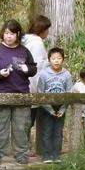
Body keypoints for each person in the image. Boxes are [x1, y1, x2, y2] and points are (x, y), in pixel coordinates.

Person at [0, 19, 37, 165]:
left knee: (21, 127)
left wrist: (27, 69)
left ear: (18, 34)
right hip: (0, 93)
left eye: (12, 34)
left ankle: (21, 155)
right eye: (6, 33)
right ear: (3, 33)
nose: (9, 36)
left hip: (21, 94)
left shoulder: (24, 51)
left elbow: (33, 68)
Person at [36, 47, 73, 162]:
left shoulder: (66, 75)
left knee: (58, 132)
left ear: (63, 60)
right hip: (46, 107)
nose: (56, 61)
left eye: (59, 58)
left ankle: (56, 155)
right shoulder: (43, 74)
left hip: (61, 107)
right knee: (47, 131)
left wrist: (62, 109)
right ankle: (46, 155)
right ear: (49, 60)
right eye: (53, 58)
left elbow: (69, 93)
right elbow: (40, 92)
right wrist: (50, 109)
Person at [22, 15, 51, 148]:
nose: (48, 32)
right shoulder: (37, 43)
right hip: (31, 86)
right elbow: (37, 68)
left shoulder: (25, 40)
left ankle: (24, 147)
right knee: (28, 120)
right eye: (47, 29)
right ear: (42, 29)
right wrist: (38, 89)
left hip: (22, 84)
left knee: (24, 120)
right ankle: (25, 148)